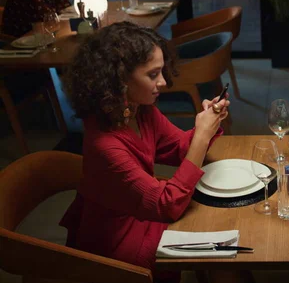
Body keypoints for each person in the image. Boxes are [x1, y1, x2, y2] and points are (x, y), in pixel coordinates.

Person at [59, 22, 249, 282]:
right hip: (120, 243)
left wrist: (206, 122)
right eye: (153, 74)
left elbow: (180, 149)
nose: (163, 82)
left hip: (144, 213)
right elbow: (166, 205)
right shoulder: (104, 145)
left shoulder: (138, 109)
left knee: (224, 227)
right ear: (119, 79)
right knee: (222, 246)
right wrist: (202, 134)